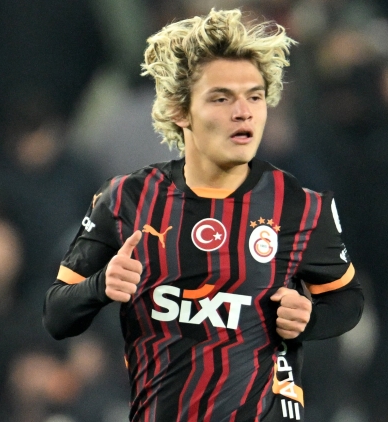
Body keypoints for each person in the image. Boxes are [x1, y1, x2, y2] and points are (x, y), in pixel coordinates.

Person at [43, 8, 364, 422]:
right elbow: (57, 313)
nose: (243, 111)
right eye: (221, 98)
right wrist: (101, 286)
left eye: (255, 96)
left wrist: (310, 317)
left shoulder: (301, 207)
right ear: (181, 111)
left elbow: (348, 300)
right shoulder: (126, 199)